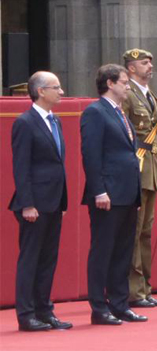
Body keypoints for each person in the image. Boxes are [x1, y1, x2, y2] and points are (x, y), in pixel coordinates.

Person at [81, 64, 146, 325]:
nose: (128, 86)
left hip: (127, 193)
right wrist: (99, 190)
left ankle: (120, 304)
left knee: (123, 251)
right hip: (107, 194)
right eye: (123, 82)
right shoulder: (95, 112)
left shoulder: (120, 113)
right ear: (109, 83)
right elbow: (91, 155)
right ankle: (99, 307)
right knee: (103, 251)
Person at [9, 71, 72, 332]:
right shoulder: (25, 122)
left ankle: (45, 311)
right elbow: (21, 167)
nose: (61, 92)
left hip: (54, 201)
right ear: (40, 91)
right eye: (56, 87)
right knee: (31, 259)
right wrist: (27, 203)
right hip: (34, 203)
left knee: (48, 259)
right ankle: (26, 314)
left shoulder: (55, 121)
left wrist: (62, 200)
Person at [120, 49, 157, 308]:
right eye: (144, 63)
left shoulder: (151, 97)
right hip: (136, 167)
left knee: (146, 231)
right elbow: (125, 133)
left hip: (151, 167)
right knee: (134, 231)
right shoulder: (128, 95)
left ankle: (145, 287)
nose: (150, 66)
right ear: (131, 68)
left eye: (150, 61)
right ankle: (133, 290)